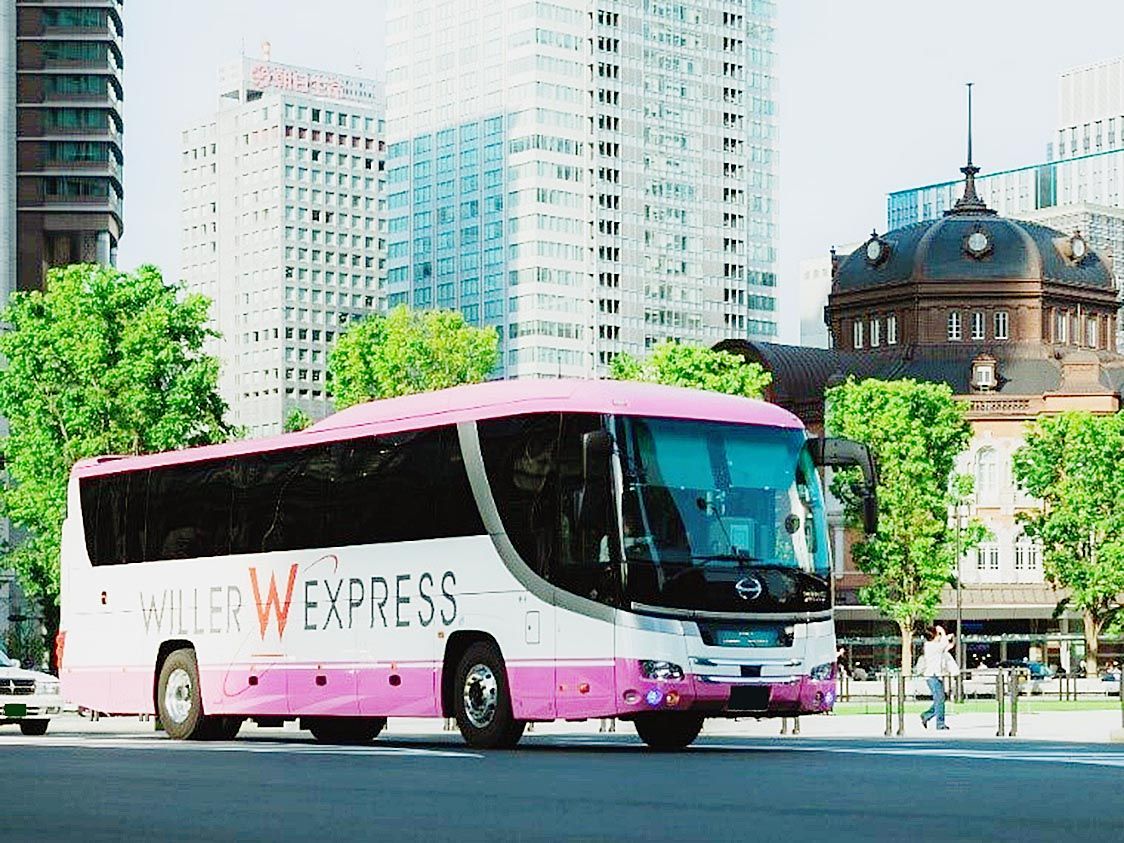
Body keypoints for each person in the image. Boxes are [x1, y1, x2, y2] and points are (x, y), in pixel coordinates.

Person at [918, 625, 954, 730]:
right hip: (932, 675)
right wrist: (942, 631)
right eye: (938, 635)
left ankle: (926, 715)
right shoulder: (932, 646)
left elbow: (946, 645)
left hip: (935, 675)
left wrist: (946, 637)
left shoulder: (931, 646)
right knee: (939, 699)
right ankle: (940, 723)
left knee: (940, 699)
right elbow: (944, 643)